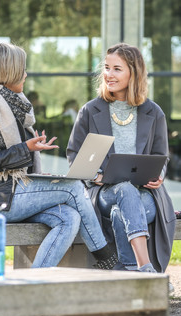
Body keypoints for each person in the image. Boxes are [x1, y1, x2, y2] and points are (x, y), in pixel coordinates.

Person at [0, 42, 118, 270]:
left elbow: (13, 161)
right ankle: (108, 259)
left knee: (69, 217)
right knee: (73, 187)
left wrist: (34, 168)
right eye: (22, 70)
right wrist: (25, 150)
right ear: (6, 72)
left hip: (9, 192)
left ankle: (35, 282)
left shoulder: (8, 108)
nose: (26, 74)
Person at [67, 43, 176, 275]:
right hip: (105, 193)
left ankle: (127, 271)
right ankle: (146, 269)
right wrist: (95, 176)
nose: (109, 74)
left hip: (147, 195)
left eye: (117, 69)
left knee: (121, 212)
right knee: (124, 190)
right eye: (106, 67)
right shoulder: (90, 111)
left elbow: (161, 155)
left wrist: (160, 175)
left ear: (133, 73)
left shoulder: (153, 112)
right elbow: (74, 155)